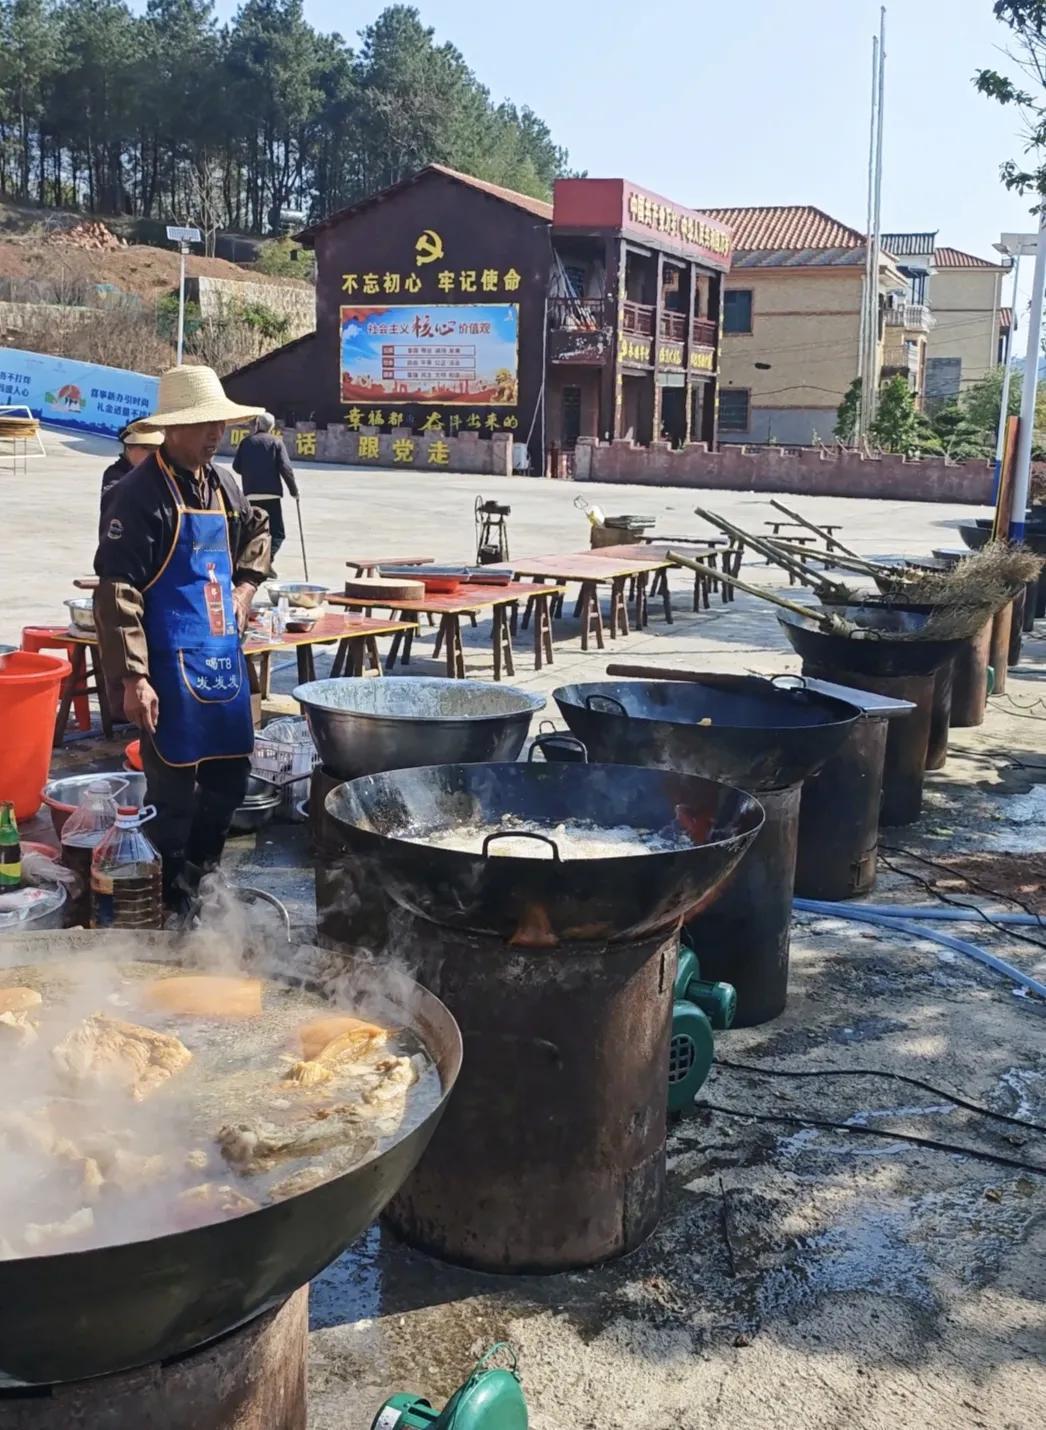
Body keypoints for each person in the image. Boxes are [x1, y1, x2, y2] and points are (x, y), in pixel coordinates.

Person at [93, 365, 270, 914]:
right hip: (166, 663)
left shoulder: (225, 484)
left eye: (220, 424)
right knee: (172, 795)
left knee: (230, 779)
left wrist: (244, 592)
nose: (216, 434)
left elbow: (258, 531)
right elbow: (117, 590)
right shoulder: (137, 494)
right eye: (204, 425)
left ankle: (203, 882)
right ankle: (167, 900)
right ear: (172, 429)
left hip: (221, 660)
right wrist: (134, 677)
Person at [232, 412, 299, 569]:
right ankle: (266, 561)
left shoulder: (246, 442)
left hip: (251, 494)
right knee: (277, 533)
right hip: (272, 495)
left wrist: (251, 474)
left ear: (257, 425)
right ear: (271, 427)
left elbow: (237, 467)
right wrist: (293, 491)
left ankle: (255, 563)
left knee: (253, 532)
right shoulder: (276, 442)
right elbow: (286, 469)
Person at [99, 423, 164, 534]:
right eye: (146, 448)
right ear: (129, 447)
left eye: (157, 449)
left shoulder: (160, 474)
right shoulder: (115, 475)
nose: (153, 454)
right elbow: (118, 500)